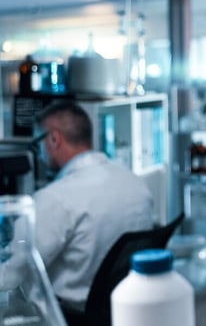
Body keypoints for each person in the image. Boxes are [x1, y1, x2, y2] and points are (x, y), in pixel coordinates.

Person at [0, 100, 155, 313]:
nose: (39, 155)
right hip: (121, 310)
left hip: (66, 315)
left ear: (54, 139)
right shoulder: (135, 184)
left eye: (38, 144)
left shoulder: (54, 199)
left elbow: (11, 275)